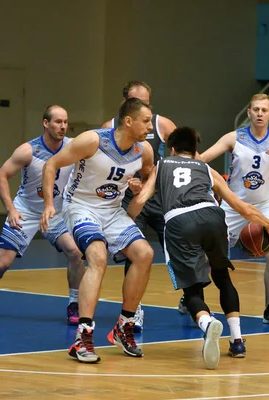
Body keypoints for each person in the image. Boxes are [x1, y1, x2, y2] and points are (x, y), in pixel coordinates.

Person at [127, 126, 269, 369]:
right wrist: (266, 222)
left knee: (192, 290)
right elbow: (240, 206)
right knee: (222, 278)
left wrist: (125, 225)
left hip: (180, 222)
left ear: (172, 149)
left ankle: (207, 324)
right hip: (214, 218)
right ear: (195, 151)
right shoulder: (207, 168)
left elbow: (142, 199)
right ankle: (237, 340)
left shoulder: (163, 164)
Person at [40, 98, 155, 363]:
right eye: (146, 120)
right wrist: (48, 205)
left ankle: (124, 327)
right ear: (129, 121)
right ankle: (83, 335)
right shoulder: (93, 140)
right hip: (81, 207)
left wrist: (139, 189)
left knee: (144, 254)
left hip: (112, 210)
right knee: (98, 256)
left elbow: (149, 175)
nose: (150, 126)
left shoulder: (144, 150)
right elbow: (51, 165)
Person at [197, 93, 269, 326]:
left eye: (264, 110)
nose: (259, 113)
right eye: (255, 109)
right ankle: (193, 297)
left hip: (264, 208)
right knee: (210, 256)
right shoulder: (233, 138)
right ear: (249, 113)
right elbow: (201, 160)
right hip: (234, 206)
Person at [0, 105, 85, 325]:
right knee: (1, 265)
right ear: (46, 123)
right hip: (26, 210)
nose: (63, 126)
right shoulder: (28, 151)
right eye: (57, 122)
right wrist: (11, 209)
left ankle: (74, 303)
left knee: (75, 252)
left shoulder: (73, 147)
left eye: (65, 122)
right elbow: (1, 177)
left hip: (55, 211)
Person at [101, 81, 176, 333]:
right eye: (137, 101)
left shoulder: (160, 124)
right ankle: (134, 310)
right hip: (130, 197)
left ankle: (191, 294)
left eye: (147, 102)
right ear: (125, 103)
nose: (144, 107)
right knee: (135, 252)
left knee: (179, 246)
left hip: (159, 195)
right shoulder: (107, 129)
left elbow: (184, 155)